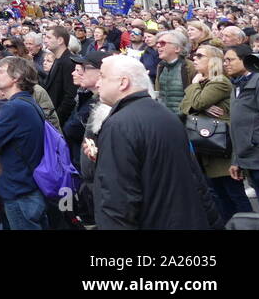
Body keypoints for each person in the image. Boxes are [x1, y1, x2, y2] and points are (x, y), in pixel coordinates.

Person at [93, 56, 220, 230]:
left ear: (123, 82)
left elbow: (117, 198)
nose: (97, 83)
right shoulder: (166, 115)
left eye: (102, 76)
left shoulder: (119, 125)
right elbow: (196, 180)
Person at [181, 44, 250, 221]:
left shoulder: (219, 81)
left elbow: (195, 104)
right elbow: (185, 107)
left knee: (233, 193)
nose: (194, 59)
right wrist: (199, 102)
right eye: (194, 56)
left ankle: (248, 223)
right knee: (218, 194)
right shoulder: (205, 83)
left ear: (213, 60)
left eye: (199, 56)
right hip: (208, 145)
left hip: (221, 147)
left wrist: (195, 87)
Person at [0, 55, 48, 230]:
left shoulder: (15, 107)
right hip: (27, 188)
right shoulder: (26, 102)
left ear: (16, 77)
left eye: (2, 71)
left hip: (19, 191)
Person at [225, 44, 259, 205]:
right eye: (224, 60)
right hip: (248, 160)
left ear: (246, 60)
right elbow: (236, 127)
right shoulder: (236, 85)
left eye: (230, 59)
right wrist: (236, 160)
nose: (226, 63)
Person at [42, 25, 77, 127]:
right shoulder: (58, 60)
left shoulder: (69, 62)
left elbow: (70, 97)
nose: (45, 40)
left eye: (49, 38)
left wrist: (56, 121)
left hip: (61, 122)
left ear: (60, 40)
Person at [153, 30, 194, 116]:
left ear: (177, 48)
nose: (158, 46)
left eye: (162, 43)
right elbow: (159, 93)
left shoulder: (190, 67)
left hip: (184, 119)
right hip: (163, 117)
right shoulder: (161, 66)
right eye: (157, 43)